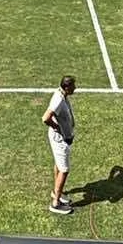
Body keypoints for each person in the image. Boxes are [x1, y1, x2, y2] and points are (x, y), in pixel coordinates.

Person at [43, 76, 77, 214]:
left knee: (58, 164)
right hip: (60, 140)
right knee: (64, 170)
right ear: (67, 87)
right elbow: (45, 118)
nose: (75, 88)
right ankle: (55, 203)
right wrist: (56, 127)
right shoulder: (58, 100)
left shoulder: (60, 94)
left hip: (61, 138)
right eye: (73, 86)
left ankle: (56, 192)